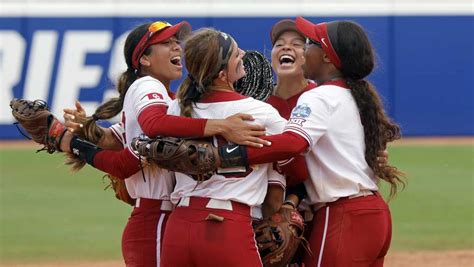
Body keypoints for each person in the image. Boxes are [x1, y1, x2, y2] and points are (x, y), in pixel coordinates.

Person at [56, 20, 269, 267]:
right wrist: (222, 125)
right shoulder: (149, 85)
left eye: (175, 41)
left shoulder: (169, 100)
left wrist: (88, 132)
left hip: (164, 219)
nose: (176, 47)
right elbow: (154, 124)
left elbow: (115, 139)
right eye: (165, 43)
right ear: (144, 60)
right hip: (157, 220)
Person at [160, 28, 287, 267]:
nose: (242, 53)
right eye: (234, 53)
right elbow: (299, 147)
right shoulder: (259, 112)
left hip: (179, 227)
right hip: (226, 227)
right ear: (221, 74)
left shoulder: (176, 108)